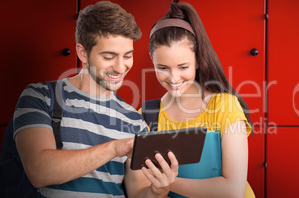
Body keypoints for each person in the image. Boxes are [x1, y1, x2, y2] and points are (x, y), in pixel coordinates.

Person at [14, 1, 178, 197]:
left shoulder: (134, 120)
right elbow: (39, 171)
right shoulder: (41, 97)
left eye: (127, 55)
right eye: (109, 57)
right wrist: (115, 148)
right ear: (82, 53)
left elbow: (138, 193)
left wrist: (158, 191)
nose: (120, 67)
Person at [144, 1, 255, 198]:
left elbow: (233, 191)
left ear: (197, 61)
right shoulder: (147, 116)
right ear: (152, 61)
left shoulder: (225, 106)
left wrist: (165, 183)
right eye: (163, 68)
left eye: (183, 67)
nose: (174, 78)